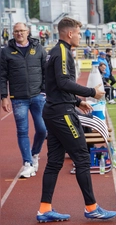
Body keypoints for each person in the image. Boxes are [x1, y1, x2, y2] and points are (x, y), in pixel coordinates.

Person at [37, 17, 116, 222]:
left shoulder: (55, 51)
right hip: (61, 114)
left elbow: (54, 86)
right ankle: (92, 208)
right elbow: (63, 82)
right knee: (82, 157)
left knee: (54, 162)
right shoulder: (62, 51)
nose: (81, 37)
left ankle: (44, 209)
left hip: (54, 110)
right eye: (79, 33)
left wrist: (77, 101)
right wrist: (91, 92)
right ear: (70, 33)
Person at [0, 22, 47, 178]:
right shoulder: (6, 52)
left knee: (42, 129)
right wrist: (4, 97)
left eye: (22, 30)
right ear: (12, 34)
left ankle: (34, 154)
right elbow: (2, 76)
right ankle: (27, 163)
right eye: (16, 31)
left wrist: (44, 91)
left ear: (28, 32)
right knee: (22, 131)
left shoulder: (38, 49)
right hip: (18, 98)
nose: (19, 33)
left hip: (38, 96)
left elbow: (46, 71)